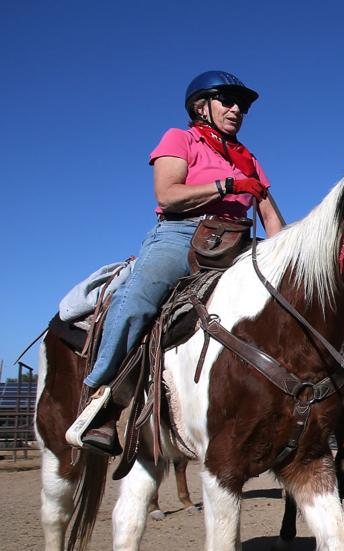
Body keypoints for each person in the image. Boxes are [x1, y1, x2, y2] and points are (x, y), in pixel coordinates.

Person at [68, 71, 284, 455]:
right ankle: (100, 403)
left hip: (238, 240)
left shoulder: (249, 159)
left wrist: (286, 252)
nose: (237, 109)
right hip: (183, 235)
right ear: (201, 106)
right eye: (227, 101)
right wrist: (227, 186)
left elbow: (271, 218)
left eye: (243, 105)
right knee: (138, 300)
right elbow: (167, 195)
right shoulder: (180, 138)